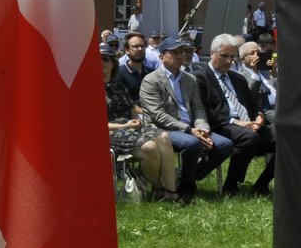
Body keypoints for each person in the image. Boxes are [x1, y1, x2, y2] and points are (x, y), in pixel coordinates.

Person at [139, 35, 232, 199]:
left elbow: (198, 108)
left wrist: (203, 128)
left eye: (182, 52)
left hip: (192, 127)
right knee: (192, 143)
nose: (180, 56)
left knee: (225, 145)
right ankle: (188, 188)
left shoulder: (190, 79)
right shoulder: (151, 80)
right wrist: (189, 130)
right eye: (174, 52)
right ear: (162, 57)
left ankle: (185, 177)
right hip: (163, 130)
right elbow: (158, 115)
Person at [193, 34, 273, 196]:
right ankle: (231, 183)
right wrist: (235, 122)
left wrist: (259, 116)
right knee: (249, 138)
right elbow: (202, 110)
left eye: (232, 57)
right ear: (212, 53)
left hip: (248, 124)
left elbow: (252, 103)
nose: (229, 61)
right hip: (220, 125)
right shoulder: (199, 78)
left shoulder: (237, 78)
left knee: (284, 138)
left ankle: (261, 184)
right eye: (224, 56)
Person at [102, 41, 179, 200]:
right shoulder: (88, 88)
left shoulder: (118, 86)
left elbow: (131, 108)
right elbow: (93, 123)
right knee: (150, 147)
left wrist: (137, 121)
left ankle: (171, 192)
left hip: (130, 128)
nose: (100, 62)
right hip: (109, 132)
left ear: (113, 64)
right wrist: (124, 125)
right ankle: (158, 188)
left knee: (164, 137)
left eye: (105, 59)